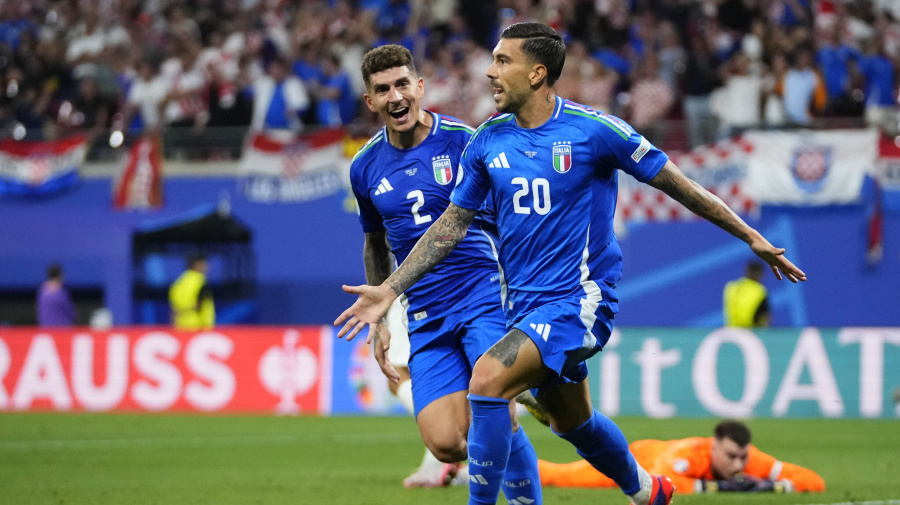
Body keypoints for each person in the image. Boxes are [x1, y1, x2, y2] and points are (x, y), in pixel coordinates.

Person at [336, 23, 806, 505]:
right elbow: (451, 226)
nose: (489, 71)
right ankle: (648, 491)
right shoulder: (487, 141)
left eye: (502, 61)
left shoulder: (593, 131)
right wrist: (390, 291)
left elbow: (678, 184)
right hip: (521, 309)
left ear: (537, 73)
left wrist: (750, 236)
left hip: (578, 301)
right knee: (572, 423)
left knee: (488, 382)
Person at [342, 44, 542, 501]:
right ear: (370, 101)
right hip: (426, 312)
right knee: (447, 443)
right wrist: (378, 315)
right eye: (382, 89)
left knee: (496, 410)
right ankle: (524, 408)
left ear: (420, 87)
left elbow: (507, 214)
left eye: (401, 85)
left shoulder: (463, 141)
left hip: (482, 295)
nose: (395, 97)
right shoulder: (364, 167)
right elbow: (375, 242)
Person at [538, 419, 825, 493]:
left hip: (651, 463)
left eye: (742, 457)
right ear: (714, 447)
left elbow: (812, 481)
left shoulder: (751, 460)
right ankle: (501, 462)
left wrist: (774, 487)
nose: (738, 465)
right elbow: (663, 480)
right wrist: (722, 487)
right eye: (730, 456)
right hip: (636, 463)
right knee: (558, 477)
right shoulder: (691, 455)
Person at [169, 253, 214, 330]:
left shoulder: (178, 283)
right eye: (204, 264)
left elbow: (173, 311)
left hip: (180, 326)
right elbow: (199, 305)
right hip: (198, 327)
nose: (207, 267)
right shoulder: (200, 281)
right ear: (197, 264)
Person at [723, 261, 770, 328]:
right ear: (760, 274)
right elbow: (764, 317)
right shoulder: (760, 290)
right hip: (750, 332)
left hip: (731, 330)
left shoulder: (731, 286)